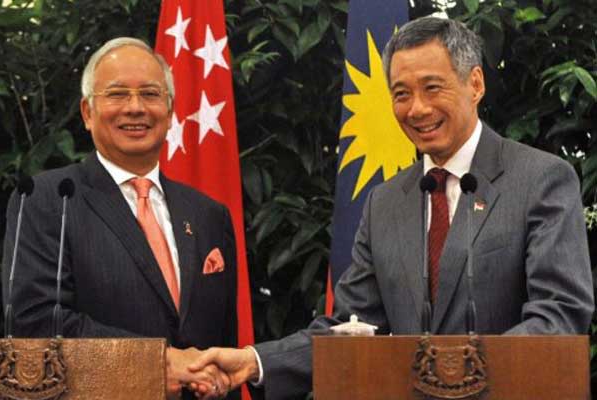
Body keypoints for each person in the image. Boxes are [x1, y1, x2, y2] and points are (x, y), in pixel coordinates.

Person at [188, 17, 595, 399]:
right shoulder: (385, 201)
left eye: (432, 88)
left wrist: (456, 379)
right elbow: (352, 328)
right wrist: (255, 361)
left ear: (475, 84)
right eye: (401, 94)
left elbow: (558, 318)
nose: (416, 109)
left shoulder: (541, 180)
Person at [1, 37, 236, 399]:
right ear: (87, 112)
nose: (135, 107)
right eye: (117, 94)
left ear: (170, 111)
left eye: (151, 94)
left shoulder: (208, 214)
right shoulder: (48, 199)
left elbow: (223, 343)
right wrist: (155, 361)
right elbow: (35, 322)